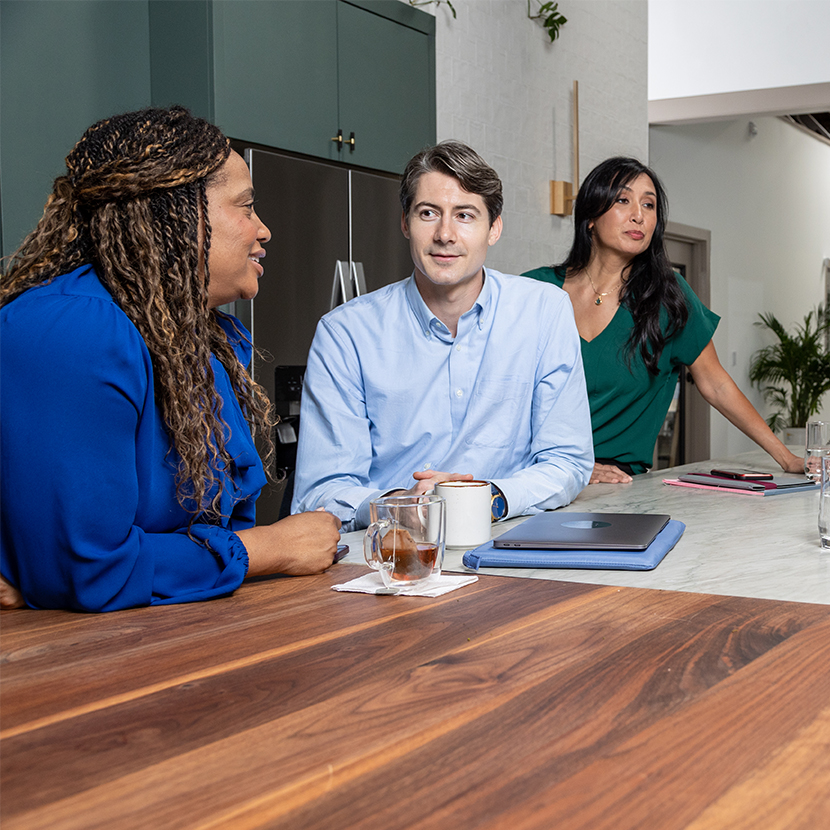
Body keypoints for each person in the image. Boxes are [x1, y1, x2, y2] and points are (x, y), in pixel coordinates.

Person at [0, 106, 341, 612]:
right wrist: (269, 549)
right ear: (174, 213)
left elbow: (211, 529)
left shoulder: (202, 336)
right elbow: (89, 570)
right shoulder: (73, 331)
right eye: (245, 207)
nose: (263, 229)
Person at [292, 141, 593, 531]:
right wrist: (401, 505)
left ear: (494, 228)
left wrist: (489, 497)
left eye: (465, 215)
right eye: (428, 213)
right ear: (405, 223)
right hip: (391, 553)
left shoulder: (544, 312)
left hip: (508, 543)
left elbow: (567, 461)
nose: (445, 234)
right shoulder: (345, 333)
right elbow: (320, 491)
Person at [523, 156, 802, 484]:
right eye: (623, 200)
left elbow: (716, 384)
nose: (638, 215)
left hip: (617, 485)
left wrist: (786, 457)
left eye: (649, 205)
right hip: (533, 474)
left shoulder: (667, 296)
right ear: (590, 218)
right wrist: (572, 467)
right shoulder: (534, 291)